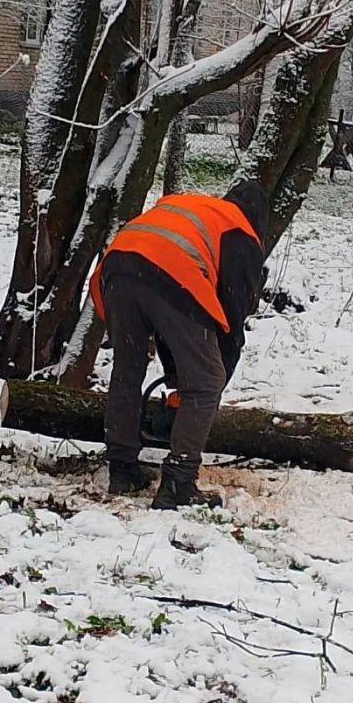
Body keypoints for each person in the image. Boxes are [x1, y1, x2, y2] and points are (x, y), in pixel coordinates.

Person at [90, 181, 268, 510]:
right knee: (207, 380)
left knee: (127, 371)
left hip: (118, 264)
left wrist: (178, 380)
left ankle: (122, 467)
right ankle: (179, 482)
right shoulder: (241, 235)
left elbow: (179, 323)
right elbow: (227, 330)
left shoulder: (201, 211)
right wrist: (192, 392)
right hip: (166, 267)